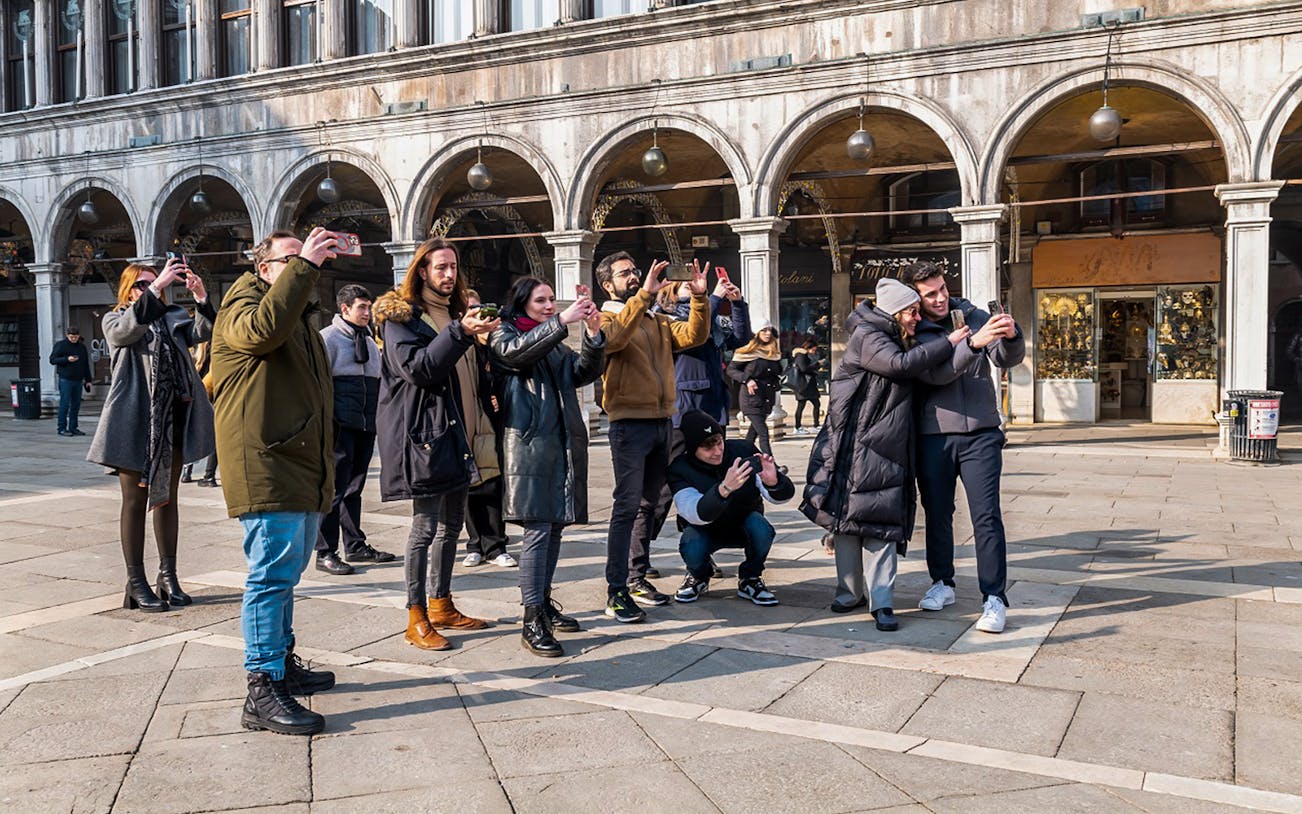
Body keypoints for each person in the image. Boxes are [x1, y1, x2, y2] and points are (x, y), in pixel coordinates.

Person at [211, 228, 341, 736]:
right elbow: (259, 333)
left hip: (299, 459)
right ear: (262, 268)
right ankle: (261, 687)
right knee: (269, 577)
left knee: (286, 575)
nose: (302, 265)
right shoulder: (241, 304)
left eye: (306, 259)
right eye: (289, 259)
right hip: (267, 460)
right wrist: (304, 266)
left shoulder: (299, 315)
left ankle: (281, 663)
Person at [801, 278, 967, 632]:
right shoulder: (869, 335)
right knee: (847, 521)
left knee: (880, 519)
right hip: (854, 443)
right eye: (911, 311)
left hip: (884, 443)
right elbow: (899, 365)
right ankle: (849, 593)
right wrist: (949, 340)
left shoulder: (888, 334)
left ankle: (882, 602)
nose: (915, 318)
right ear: (894, 311)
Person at [374, 238, 500, 652]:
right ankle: (416, 617)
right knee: (425, 527)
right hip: (425, 437)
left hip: (458, 433)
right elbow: (419, 369)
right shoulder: (403, 319)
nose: (448, 274)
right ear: (422, 271)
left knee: (451, 526)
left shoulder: (457, 313)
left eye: (453, 267)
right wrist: (461, 332)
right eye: (440, 267)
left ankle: (442, 604)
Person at [88, 258, 216, 615]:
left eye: (153, 283)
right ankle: (136, 581)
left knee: (167, 499)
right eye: (143, 284)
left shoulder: (171, 316)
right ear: (130, 290)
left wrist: (201, 297)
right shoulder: (117, 317)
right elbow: (123, 334)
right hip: (135, 421)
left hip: (174, 418)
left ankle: (169, 576)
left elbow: (203, 333)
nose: (151, 288)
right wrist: (158, 287)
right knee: (134, 501)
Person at [489, 276, 606, 656]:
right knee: (537, 531)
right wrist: (561, 323)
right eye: (541, 300)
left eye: (552, 300)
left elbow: (581, 373)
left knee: (554, 527)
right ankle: (531, 617)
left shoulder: (551, 340)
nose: (548, 306)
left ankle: (544, 603)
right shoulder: (504, 333)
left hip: (559, 443)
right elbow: (515, 354)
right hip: (528, 444)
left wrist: (592, 334)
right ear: (521, 301)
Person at [908, 263, 1024, 634]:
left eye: (942, 289)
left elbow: (1006, 360)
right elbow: (934, 374)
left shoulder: (973, 315)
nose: (940, 298)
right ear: (917, 297)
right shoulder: (914, 330)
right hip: (933, 434)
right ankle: (942, 582)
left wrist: (1010, 335)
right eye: (930, 293)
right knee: (938, 514)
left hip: (981, 433)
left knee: (986, 516)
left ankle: (994, 597)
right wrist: (971, 343)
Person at [596, 252, 709, 622]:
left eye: (634, 270)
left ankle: (637, 575)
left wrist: (699, 297)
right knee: (626, 506)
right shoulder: (607, 317)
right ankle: (616, 590)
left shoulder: (655, 320)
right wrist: (642, 297)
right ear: (607, 284)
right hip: (629, 423)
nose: (633, 275)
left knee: (651, 504)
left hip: (662, 420)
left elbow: (694, 336)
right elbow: (611, 342)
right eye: (624, 273)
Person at [647, 274, 752, 577]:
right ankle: (639, 553)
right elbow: (697, 332)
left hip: (713, 409)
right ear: (670, 292)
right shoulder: (665, 319)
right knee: (666, 486)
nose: (697, 288)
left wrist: (737, 302)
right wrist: (711, 298)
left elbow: (741, 338)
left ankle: (702, 548)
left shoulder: (712, 319)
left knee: (708, 485)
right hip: (684, 412)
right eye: (688, 285)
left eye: (698, 285)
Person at [667, 410, 794, 605]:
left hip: (743, 521)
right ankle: (699, 576)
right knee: (691, 543)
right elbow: (695, 513)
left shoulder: (743, 451)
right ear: (693, 448)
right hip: (704, 528)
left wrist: (774, 482)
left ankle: (750, 578)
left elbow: (780, 498)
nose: (717, 451)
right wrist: (724, 489)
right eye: (707, 447)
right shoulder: (680, 468)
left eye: (719, 442)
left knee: (762, 529)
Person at [313, 284, 394, 576]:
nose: (367, 312)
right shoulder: (328, 338)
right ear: (344, 308)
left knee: (354, 488)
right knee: (334, 489)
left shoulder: (370, 342)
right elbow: (318, 383)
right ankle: (324, 551)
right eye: (361, 307)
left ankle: (355, 544)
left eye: (368, 307)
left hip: (364, 423)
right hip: (339, 425)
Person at [462, 288, 515, 569]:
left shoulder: (492, 341)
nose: (476, 314)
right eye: (469, 308)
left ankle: (496, 544)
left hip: (492, 418)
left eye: (478, 307)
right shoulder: (457, 342)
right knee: (471, 484)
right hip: (467, 418)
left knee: (494, 482)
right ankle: (475, 544)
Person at [727, 321, 783, 459]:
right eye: (764, 330)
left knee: (752, 435)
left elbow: (776, 372)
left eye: (770, 330)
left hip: (767, 398)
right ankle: (772, 465)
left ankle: (741, 458)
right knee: (763, 432)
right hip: (751, 398)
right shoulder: (747, 352)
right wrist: (747, 379)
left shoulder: (773, 353)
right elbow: (731, 370)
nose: (768, 333)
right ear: (757, 333)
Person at [180, 343, 218, 487]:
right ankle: (209, 475)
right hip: (211, 391)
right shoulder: (213, 342)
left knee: (191, 431)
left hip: (196, 393)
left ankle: (187, 471)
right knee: (215, 435)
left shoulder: (192, 344)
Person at [50, 326, 93, 436]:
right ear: (67, 335)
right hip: (66, 379)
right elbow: (52, 359)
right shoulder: (61, 345)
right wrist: (66, 359)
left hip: (78, 380)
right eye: (71, 337)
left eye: (75, 337)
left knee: (76, 405)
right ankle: (61, 428)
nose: (73, 339)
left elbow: (85, 364)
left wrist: (88, 380)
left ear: (78, 336)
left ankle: (73, 427)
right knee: (64, 404)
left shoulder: (81, 347)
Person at [789, 336, 823, 434]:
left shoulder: (803, 355)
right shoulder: (801, 355)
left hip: (808, 385)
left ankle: (815, 425)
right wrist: (816, 365)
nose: (813, 352)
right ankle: (797, 427)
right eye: (813, 349)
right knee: (802, 405)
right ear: (808, 348)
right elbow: (803, 369)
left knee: (815, 404)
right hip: (803, 385)